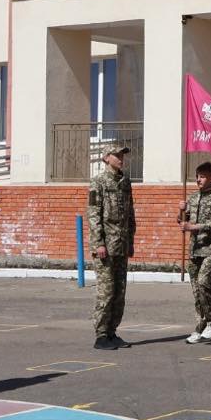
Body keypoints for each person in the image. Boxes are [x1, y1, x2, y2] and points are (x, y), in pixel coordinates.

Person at [88, 144, 137, 350]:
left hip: (121, 244)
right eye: (116, 155)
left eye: (122, 155)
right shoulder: (98, 182)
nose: (120, 158)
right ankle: (101, 335)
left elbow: (130, 213)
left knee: (119, 293)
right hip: (105, 247)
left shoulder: (125, 182)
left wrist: (131, 241)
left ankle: (112, 332)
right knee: (106, 292)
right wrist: (98, 243)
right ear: (106, 158)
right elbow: (94, 214)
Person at [179, 161, 211, 344]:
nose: (199, 179)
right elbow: (182, 221)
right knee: (196, 290)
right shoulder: (192, 197)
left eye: (203, 176)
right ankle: (201, 325)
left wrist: (192, 227)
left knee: (203, 282)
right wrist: (181, 210)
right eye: (197, 176)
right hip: (194, 249)